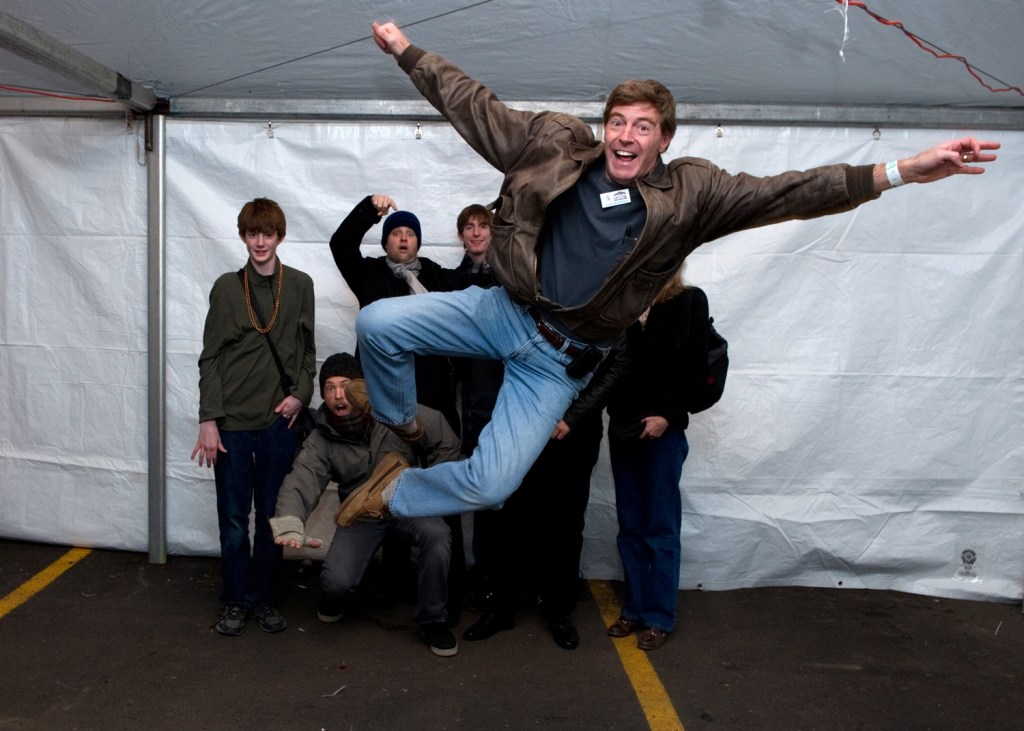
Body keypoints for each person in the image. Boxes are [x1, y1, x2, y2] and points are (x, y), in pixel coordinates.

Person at [336, 19, 999, 527]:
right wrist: (408, 53)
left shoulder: (690, 197)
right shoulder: (553, 147)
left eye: (643, 127)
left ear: (664, 139)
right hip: (505, 311)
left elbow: (789, 191)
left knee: (490, 484)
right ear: (605, 127)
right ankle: (403, 426)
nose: (625, 136)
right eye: (617, 122)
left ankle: (396, 491)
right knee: (378, 324)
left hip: (558, 364)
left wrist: (901, 171)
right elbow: (474, 106)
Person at [329, 194, 484, 622]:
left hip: (434, 404)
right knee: (387, 487)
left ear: (418, 241)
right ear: (385, 242)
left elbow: (472, 286)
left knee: (443, 494)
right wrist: (368, 209)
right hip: (385, 405)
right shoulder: (368, 274)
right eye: (395, 233)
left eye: (409, 233)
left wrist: (483, 247)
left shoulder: (432, 274)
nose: (403, 238)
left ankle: (448, 591)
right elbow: (340, 244)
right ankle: (393, 585)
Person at [270, 353, 461, 656]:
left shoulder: (394, 413)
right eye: (330, 388)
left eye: (345, 385)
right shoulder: (322, 436)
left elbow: (444, 438)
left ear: (362, 388)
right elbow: (301, 479)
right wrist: (289, 523)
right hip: (361, 516)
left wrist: (429, 488)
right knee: (336, 582)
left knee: (437, 535)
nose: (338, 395)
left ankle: (432, 620)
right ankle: (333, 595)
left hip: (404, 505)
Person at [191, 197, 316, 637]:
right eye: (252, 233)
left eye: (268, 233)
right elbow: (210, 357)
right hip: (231, 425)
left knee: (272, 517)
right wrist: (209, 420)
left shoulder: (299, 285)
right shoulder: (228, 288)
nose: (260, 242)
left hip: (278, 423)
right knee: (232, 520)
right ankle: (234, 599)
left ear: (280, 236)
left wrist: (301, 394)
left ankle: (262, 598)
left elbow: (308, 352)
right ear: (243, 236)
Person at [463, 338, 627, 650]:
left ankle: (558, 610)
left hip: (574, 432)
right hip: (521, 424)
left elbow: (616, 365)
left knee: (565, 523)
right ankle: (502, 608)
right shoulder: (524, 306)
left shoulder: (604, 311)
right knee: (509, 518)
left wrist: (573, 417)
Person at [605, 270, 706, 651]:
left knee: (660, 528)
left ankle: (660, 616)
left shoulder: (689, 300)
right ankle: (634, 609)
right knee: (630, 525)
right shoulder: (623, 304)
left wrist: (667, 415)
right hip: (625, 429)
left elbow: (696, 368)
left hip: (664, 430)